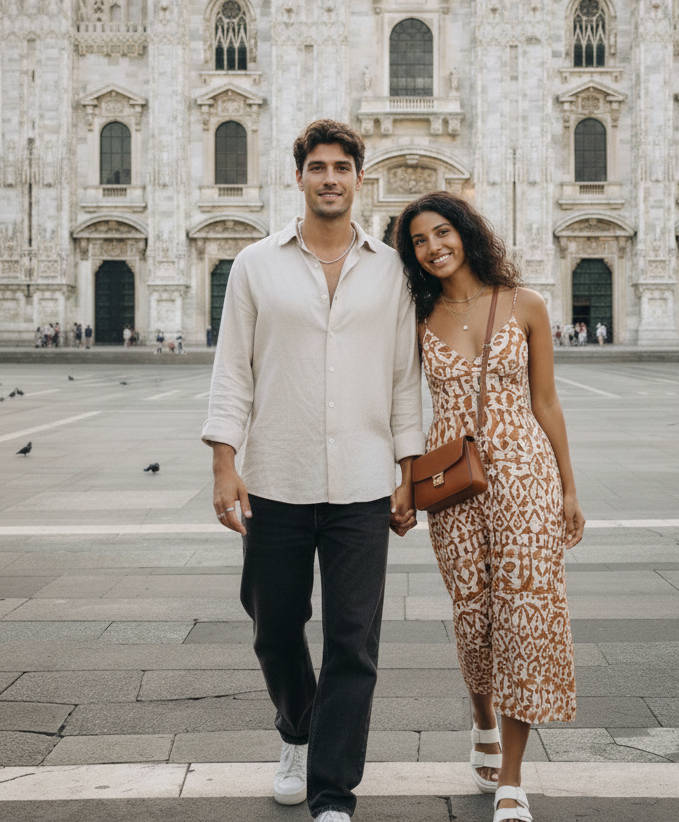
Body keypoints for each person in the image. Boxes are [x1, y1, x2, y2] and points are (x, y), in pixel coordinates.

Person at [201, 118, 424, 822]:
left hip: (362, 481)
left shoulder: (390, 271)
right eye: (318, 167)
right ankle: (297, 727)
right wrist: (223, 465)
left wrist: (408, 475)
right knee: (273, 627)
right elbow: (232, 370)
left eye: (343, 168)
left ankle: (333, 792)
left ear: (360, 179)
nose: (331, 178)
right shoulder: (255, 264)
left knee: (353, 642)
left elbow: (403, 381)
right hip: (275, 476)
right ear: (299, 176)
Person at [395, 192, 584, 822]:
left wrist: (569, 487)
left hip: (526, 475)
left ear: (466, 233)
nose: (433, 247)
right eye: (419, 240)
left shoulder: (526, 303)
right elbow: (397, 406)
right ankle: (481, 717)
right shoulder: (415, 319)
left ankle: (512, 778)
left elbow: (548, 402)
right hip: (453, 482)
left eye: (442, 232)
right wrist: (400, 482)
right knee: (473, 614)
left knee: (527, 613)